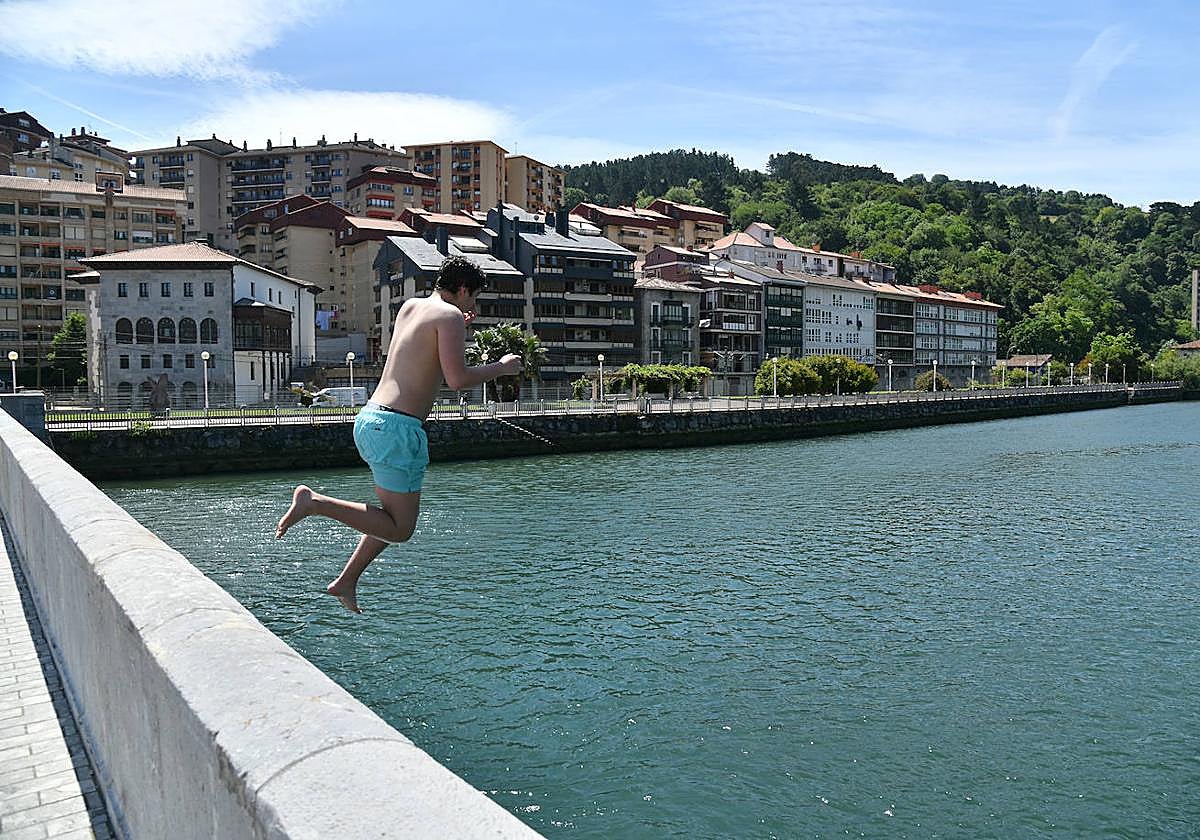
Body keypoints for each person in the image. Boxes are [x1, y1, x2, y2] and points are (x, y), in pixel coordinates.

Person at [275, 256, 522, 613]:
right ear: (464, 289)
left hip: (372, 419)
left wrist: (456, 324)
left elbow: (420, 350)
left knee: (390, 520)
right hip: (398, 429)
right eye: (473, 297)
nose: (473, 306)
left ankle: (346, 580)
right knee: (401, 529)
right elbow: (456, 380)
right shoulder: (450, 318)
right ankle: (314, 503)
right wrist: (501, 367)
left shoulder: (412, 307)